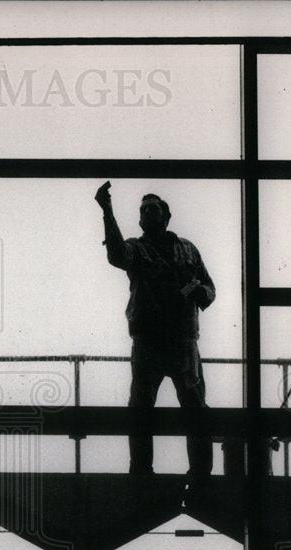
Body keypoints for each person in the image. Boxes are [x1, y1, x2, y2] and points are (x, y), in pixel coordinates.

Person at [94, 181, 215, 481]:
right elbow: (117, 254)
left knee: (195, 408)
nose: (148, 212)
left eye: (153, 208)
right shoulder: (137, 248)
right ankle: (141, 473)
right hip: (149, 342)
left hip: (184, 342)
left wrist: (200, 291)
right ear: (139, 220)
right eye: (143, 209)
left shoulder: (188, 250)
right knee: (141, 408)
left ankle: (201, 474)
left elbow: (210, 289)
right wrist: (107, 211)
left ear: (165, 215)